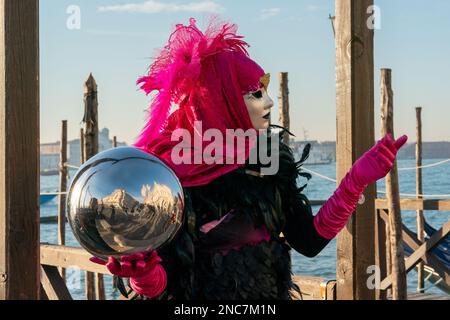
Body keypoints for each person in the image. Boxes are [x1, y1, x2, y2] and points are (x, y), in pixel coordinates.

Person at [91, 18, 408, 300]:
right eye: (255, 93)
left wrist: (355, 181)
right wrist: (142, 274)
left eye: (265, 89)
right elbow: (162, 285)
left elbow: (309, 241)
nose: (268, 101)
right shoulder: (164, 177)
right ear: (221, 99)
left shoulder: (270, 161)